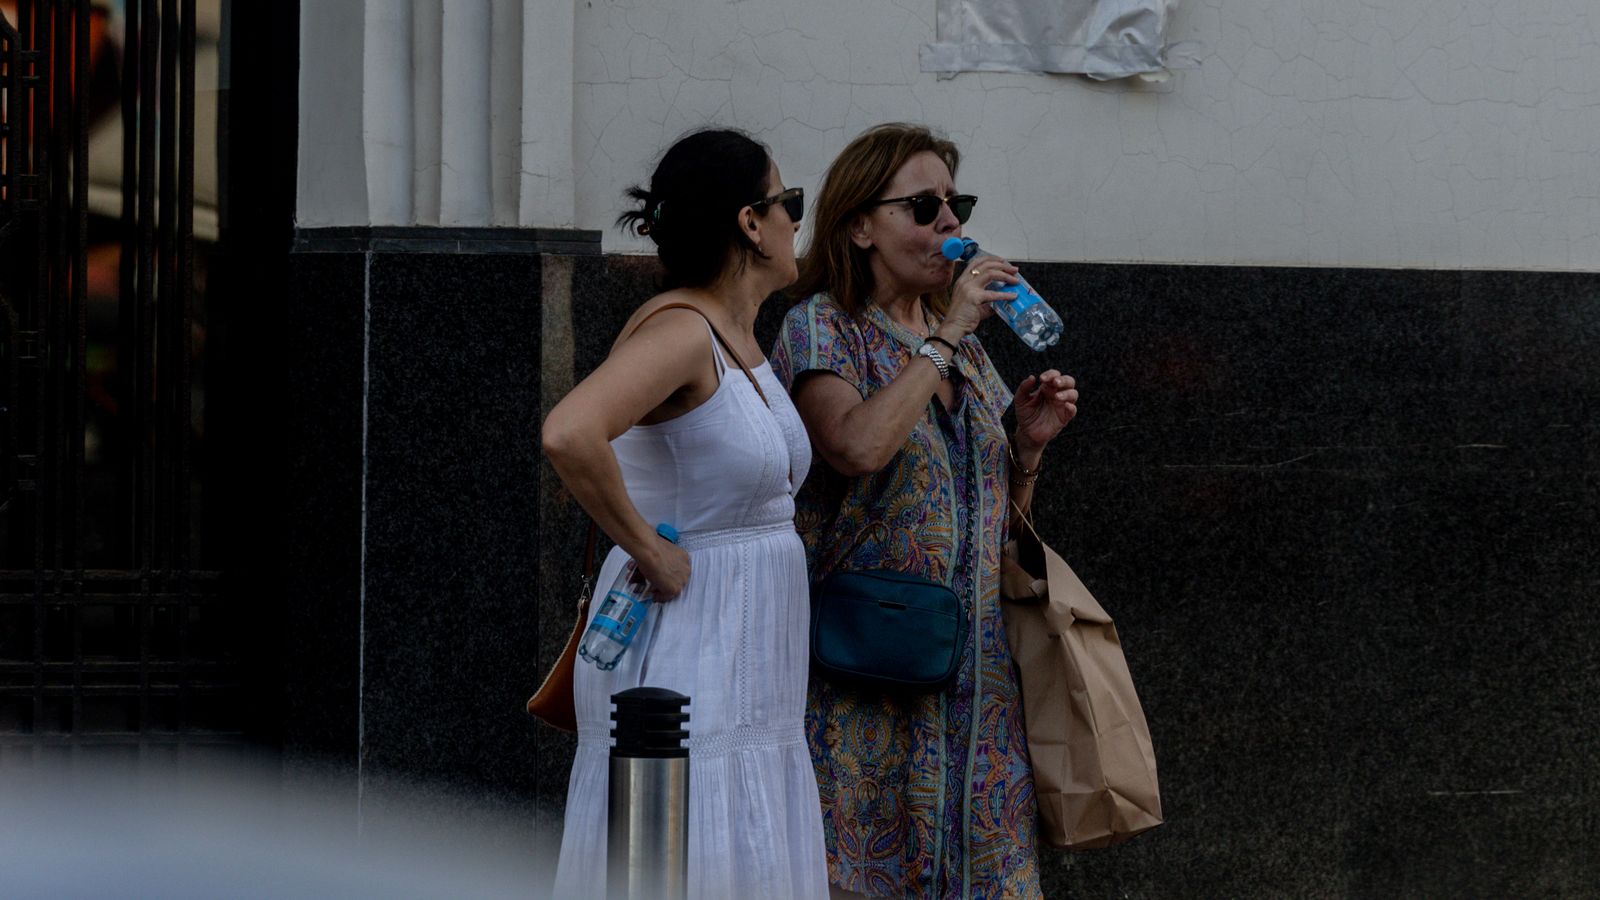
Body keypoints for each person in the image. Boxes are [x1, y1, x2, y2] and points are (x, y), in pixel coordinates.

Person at [770, 123, 1080, 898]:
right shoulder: (822, 327)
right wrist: (945, 333)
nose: (950, 223)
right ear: (860, 227)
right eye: (923, 205)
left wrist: (1030, 451)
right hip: (870, 682)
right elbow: (856, 447)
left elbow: (994, 527)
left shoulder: (968, 349)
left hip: (977, 694)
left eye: (956, 202)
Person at [542, 128, 829, 899]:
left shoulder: (737, 336)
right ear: (749, 222)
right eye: (788, 202)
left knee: (738, 834)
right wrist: (646, 546)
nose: (796, 221)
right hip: (687, 642)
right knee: (684, 841)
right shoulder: (679, 331)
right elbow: (569, 432)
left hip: (746, 652)